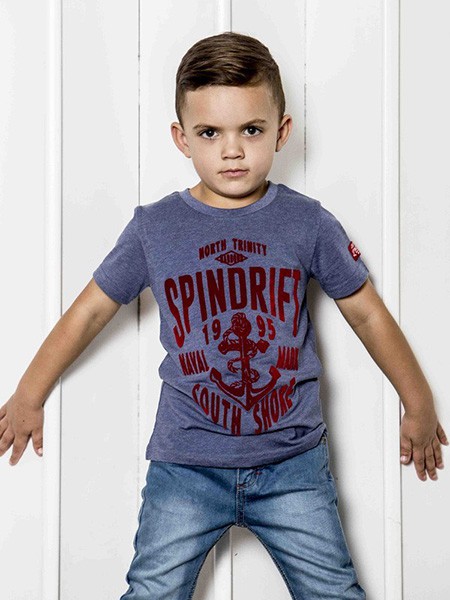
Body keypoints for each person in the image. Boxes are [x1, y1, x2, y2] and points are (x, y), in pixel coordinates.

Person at [0, 31, 447, 599]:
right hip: (186, 464)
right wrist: (29, 394)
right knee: (152, 592)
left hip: (293, 463)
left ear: (282, 131)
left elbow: (367, 314)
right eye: (210, 133)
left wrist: (418, 402)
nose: (232, 151)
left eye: (251, 130)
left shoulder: (308, 223)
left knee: (334, 593)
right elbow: (89, 312)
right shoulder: (155, 229)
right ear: (181, 138)